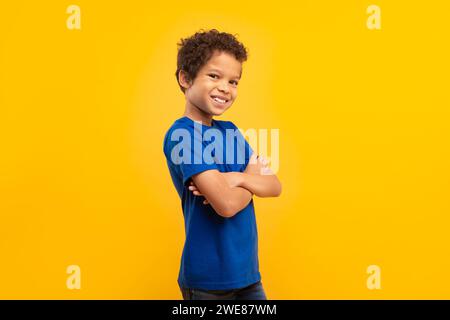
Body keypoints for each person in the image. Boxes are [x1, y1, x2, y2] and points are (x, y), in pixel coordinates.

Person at [163, 29, 281, 300]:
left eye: (234, 81)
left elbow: (274, 185)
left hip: (249, 276)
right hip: (207, 282)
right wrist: (250, 177)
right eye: (214, 76)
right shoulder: (182, 136)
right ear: (185, 78)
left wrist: (237, 179)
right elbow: (225, 205)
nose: (225, 88)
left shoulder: (231, 132)